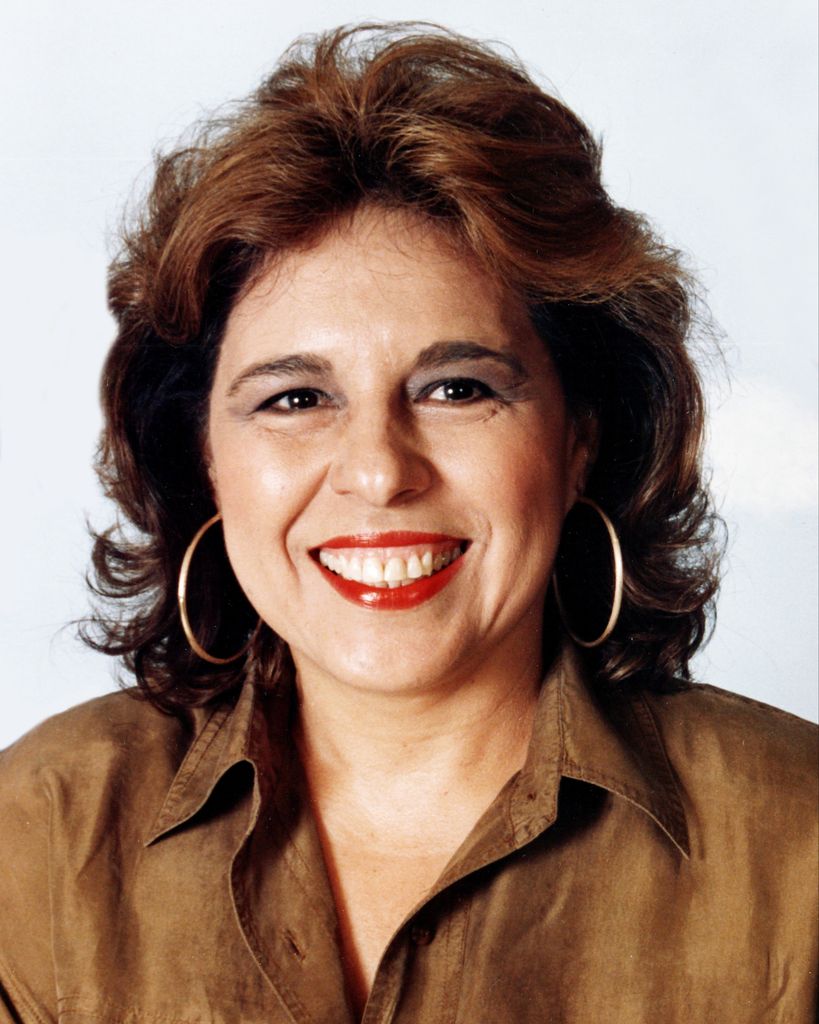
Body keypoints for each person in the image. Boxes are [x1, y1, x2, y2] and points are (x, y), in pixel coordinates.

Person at [0, 23, 815, 1024]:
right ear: (203, 457)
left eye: (457, 388)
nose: (380, 472)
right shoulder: (39, 836)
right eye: (296, 398)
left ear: (579, 441)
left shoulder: (797, 846)